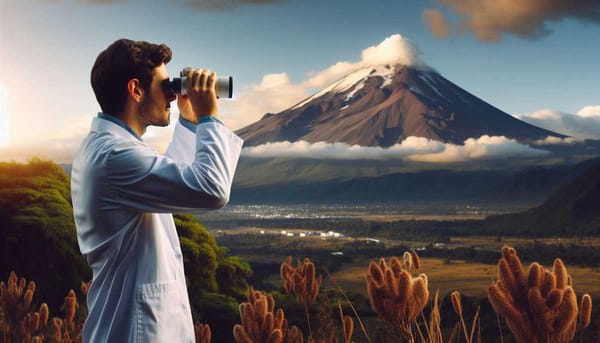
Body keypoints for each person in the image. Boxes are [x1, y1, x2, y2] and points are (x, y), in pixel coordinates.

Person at [71, 39, 243, 342]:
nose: (172, 95)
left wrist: (189, 121)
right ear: (136, 90)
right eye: (166, 85)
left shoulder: (112, 149)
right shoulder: (114, 157)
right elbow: (212, 189)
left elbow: (172, 183)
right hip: (133, 330)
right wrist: (208, 118)